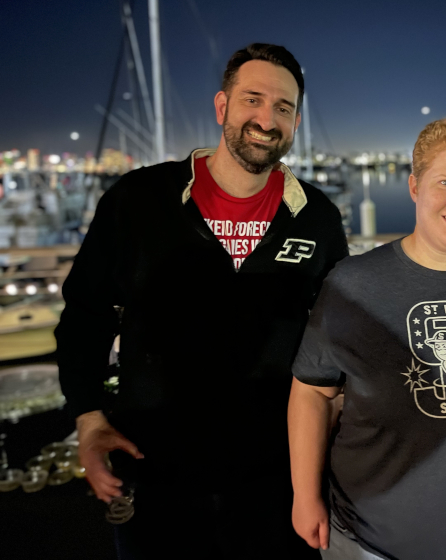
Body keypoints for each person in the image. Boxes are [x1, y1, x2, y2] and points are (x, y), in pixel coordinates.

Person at [56, 43, 348, 559]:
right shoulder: (138, 200)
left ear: (296, 122)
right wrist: (89, 418)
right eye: (252, 99)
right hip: (155, 467)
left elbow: (336, 337)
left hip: (275, 475)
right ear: (222, 107)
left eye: (283, 107)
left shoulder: (317, 217)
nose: (266, 118)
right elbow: (85, 315)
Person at [288, 117, 446, 560]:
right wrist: (304, 495)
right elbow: (313, 392)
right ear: (414, 187)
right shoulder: (354, 285)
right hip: (372, 544)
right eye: (445, 181)